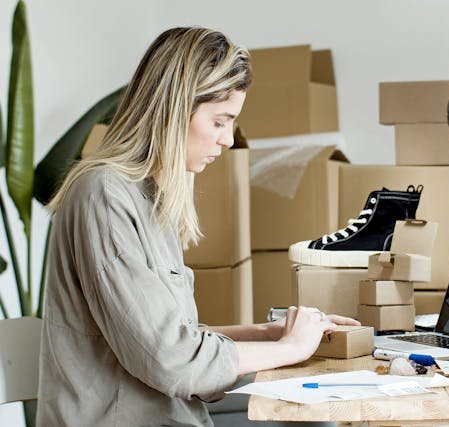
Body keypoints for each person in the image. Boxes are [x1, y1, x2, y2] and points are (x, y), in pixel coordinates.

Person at [36, 27, 359, 427]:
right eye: (220, 121)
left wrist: (268, 334)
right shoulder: (104, 196)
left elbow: (171, 337)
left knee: (318, 412)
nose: (227, 140)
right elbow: (172, 361)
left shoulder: (149, 197)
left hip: (170, 414)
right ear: (174, 110)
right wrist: (291, 348)